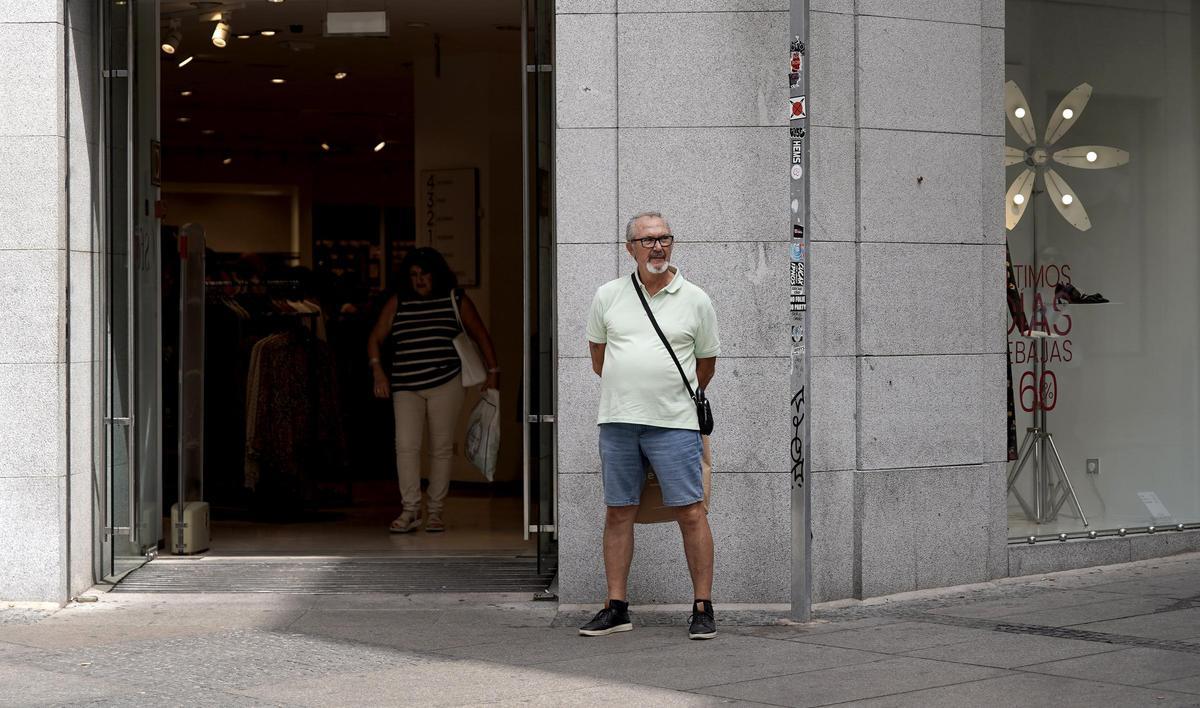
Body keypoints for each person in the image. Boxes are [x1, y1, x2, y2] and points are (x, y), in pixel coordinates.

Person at [578, 212, 721, 640]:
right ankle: (617, 606)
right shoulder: (607, 295)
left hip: (675, 423)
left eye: (664, 239)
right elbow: (599, 359)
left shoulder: (696, 299)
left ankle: (702, 606)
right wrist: (633, 389)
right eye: (647, 241)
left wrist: (663, 395)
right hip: (619, 422)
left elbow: (706, 365)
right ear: (630, 249)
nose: (657, 247)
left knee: (691, 511)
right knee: (619, 510)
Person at [367, 247, 499, 533]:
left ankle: (435, 511)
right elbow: (375, 337)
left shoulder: (455, 298)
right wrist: (378, 371)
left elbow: (481, 335)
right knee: (405, 446)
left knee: (440, 448)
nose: (419, 280)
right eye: (413, 275)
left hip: (446, 382)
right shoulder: (399, 301)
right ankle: (411, 509)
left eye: (424, 274)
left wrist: (493, 372)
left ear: (436, 273)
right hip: (405, 384)